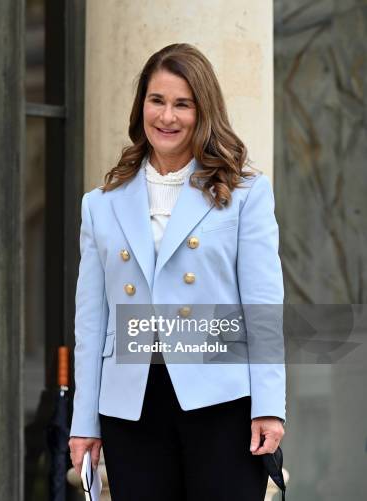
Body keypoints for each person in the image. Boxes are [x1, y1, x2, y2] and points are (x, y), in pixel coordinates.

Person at [68, 43, 286, 500]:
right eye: (157, 100)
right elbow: (92, 322)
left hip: (223, 402)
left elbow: (263, 307)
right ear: (141, 106)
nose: (167, 116)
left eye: (182, 104)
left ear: (202, 111)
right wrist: (84, 421)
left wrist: (269, 406)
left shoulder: (244, 193)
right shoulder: (101, 205)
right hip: (132, 406)